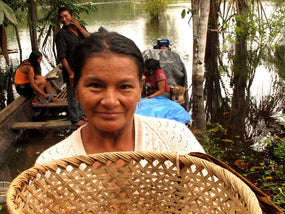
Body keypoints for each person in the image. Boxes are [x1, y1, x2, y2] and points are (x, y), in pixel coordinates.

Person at [35, 31, 205, 165]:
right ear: (75, 88)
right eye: (95, 85)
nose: (110, 101)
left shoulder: (176, 141)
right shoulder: (52, 165)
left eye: (124, 87)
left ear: (140, 88)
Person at [56, 6, 91, 127]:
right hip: (71, 68)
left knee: (81, 91)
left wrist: (79, 27)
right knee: (72, 94)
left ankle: (82, 115)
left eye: (66, 16)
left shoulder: (80, 28)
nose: (64, 19)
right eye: (61, 17)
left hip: (83, 67)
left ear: (72, 16)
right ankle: (75, 119)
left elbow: (91, 39)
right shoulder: (61, 34)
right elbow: (62, 56)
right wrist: (70, 72)